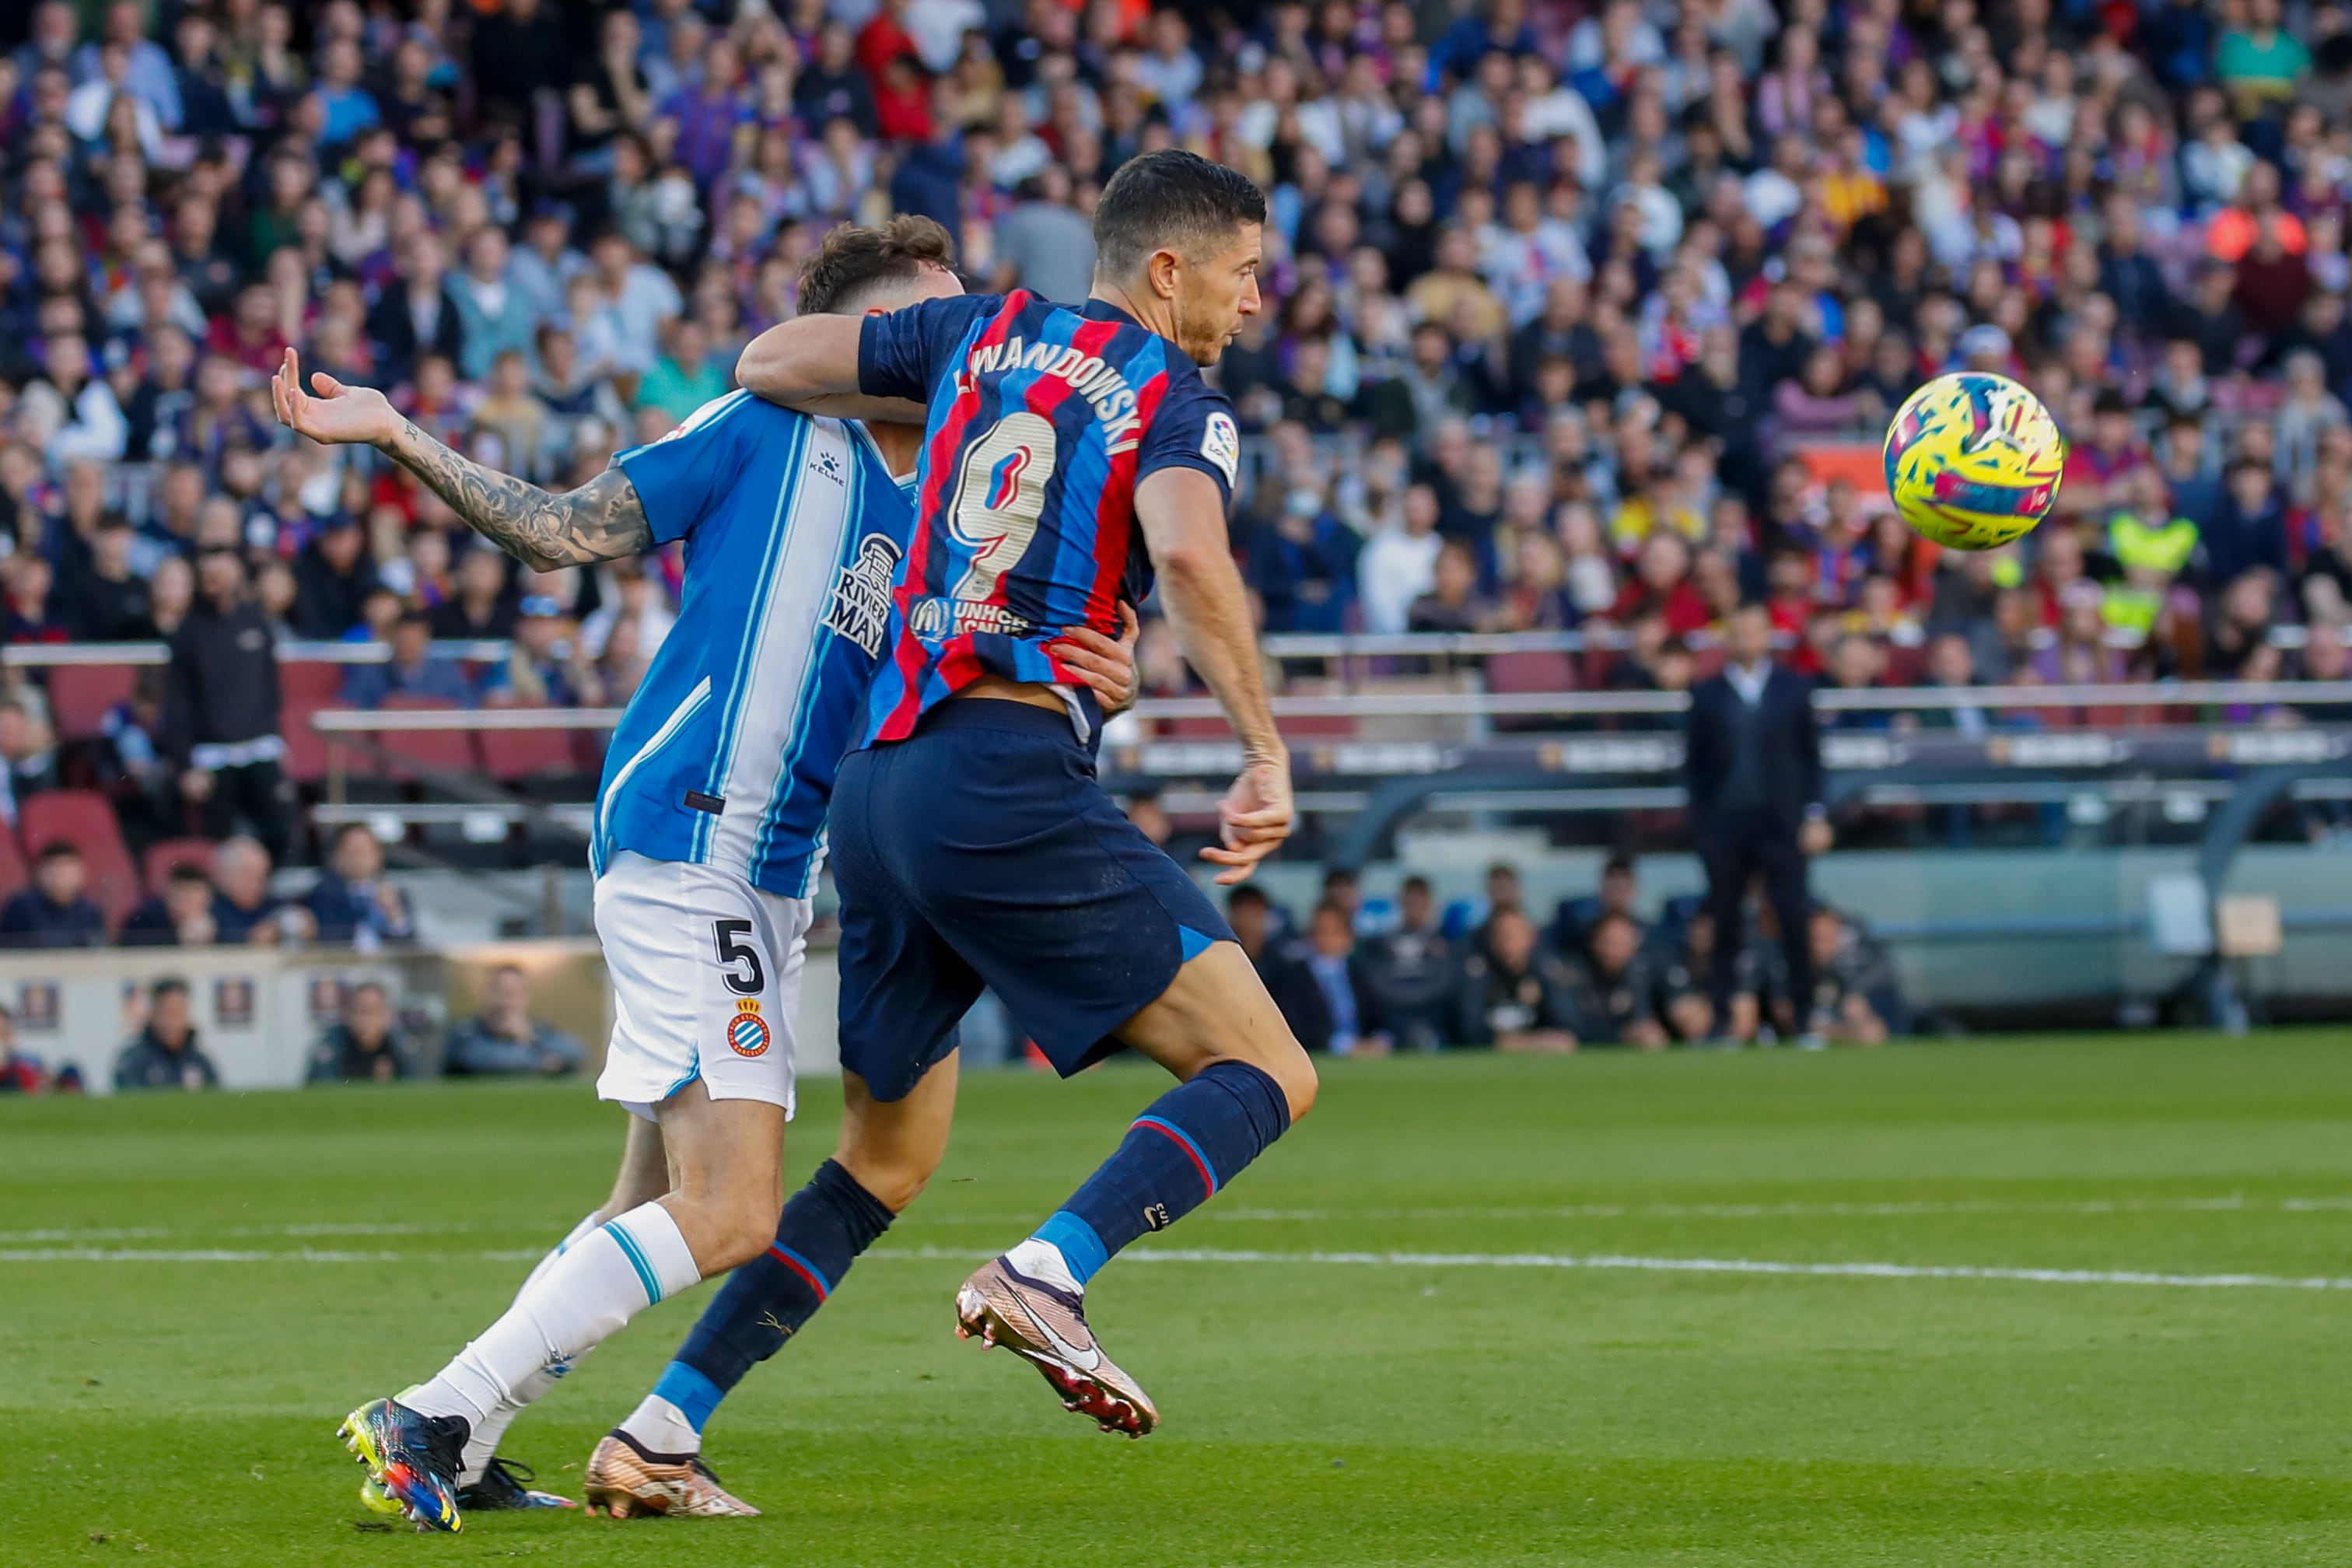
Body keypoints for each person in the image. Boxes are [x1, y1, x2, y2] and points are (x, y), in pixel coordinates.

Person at [279, 218, 1139, 1528]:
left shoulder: (940, 517)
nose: (957, 337)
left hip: (764, 876)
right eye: (929, 313)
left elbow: (973, 690)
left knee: (644, 1202)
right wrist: (398, 434)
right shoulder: (759, 428)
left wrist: (1096, 676)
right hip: (696, 842)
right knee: (732, 1211)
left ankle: (458, 1439)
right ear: (864, 335)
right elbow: (566, 533)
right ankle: (431, 1413)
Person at [726, 149, 1314, 1451]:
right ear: (1167, 272)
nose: (1255, 300)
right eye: (1243, 273)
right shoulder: (1180, 397)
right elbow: (1185, 548)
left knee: (879, 1161)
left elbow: (766, 361)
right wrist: (1260, 743)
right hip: (998, 776)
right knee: (1267, 1064)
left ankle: (659, 1427)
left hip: (876, 790)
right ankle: (1045, 1269)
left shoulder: (975, 331)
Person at [1684, 602, 1827, 1042]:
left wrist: (1815, 814)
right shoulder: (1706, 694)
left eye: (1755, 630)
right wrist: (1702, 825)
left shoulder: (1793, 689)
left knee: (1792, 919)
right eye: (1738, 631)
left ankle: (1803, 1018)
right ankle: (1724, 1021)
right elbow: (1695, 768)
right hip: (1726, 825)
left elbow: (1811, 759)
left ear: (1768, 636)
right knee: (1725, 925)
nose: (1747, 639)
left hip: (1780, 823)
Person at [165, 548, 291, 863]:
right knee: (217, 844)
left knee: (282, 832)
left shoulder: (257, 624)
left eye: (221, 576)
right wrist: (185, 764)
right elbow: (177, 703)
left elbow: (271, 689)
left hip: (260, 748)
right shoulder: (188, 633)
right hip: (213, 756)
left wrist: (277, 740)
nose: (215, 583)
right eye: (209, 577)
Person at [1454, 906, 1581, 1051]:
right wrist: (1528, 1043)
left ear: (1531, 937)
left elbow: (1568, 1027)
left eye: (1514, 935)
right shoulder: (1477, 974)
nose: (1507, 942)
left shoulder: (1546, 973)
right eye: (1501, 935)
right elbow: (1470, 1032)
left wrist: (1522, 1042)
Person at [1356, 875, 1458, 1053]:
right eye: (1411, 901)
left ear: (1430, 903)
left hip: (1432, 1013)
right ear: (1401, 902)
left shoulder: (1444, 944)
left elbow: (1445, 983)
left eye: (1421, 901)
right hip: (1392, 1014)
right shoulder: (1381, 944)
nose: (1416, 907)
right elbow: (1376, 981)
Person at [443, 964, 587, 1077]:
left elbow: (576, 1052)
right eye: (499, 992)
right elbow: (477, 1059)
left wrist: (530, 1039)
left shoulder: (538, 1030)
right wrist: (540, 1062)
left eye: (513, 994)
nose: (505, 1002)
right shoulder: (465, 1031)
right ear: (486, 994)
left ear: (525, 998)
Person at [306, 824, 416, 949]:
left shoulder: (396, 896)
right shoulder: (322, 895)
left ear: (379, 856)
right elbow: (329, 939)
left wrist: (395, 915)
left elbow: (411, 949)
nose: (359, 858)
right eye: (353, 851)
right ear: (337, 856)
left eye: (365, 851)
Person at [112, 978, 219, 1091]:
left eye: (178, 1012)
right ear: (153, 1014)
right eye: (166, 1013)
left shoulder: (201, 1063)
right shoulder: (132, 1061)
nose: (171, 1022)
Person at [306, 982, 422, 1083]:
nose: (365, 1021)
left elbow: (417, 1083)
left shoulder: (401, 1044)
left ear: (387, 1015)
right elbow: (319, 1083)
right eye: (359, 1012)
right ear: (347, 1014)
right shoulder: (333, 1042)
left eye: (373, 1012)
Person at [0, 841, 107, 949]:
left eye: (66, 868)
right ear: (39, 872)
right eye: (53, 868)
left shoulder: (90, 913)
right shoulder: (20, 910)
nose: (60, 875)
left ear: (80, 872)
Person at [121, 862, 219, 947]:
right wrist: (180, 939)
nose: (186, 907)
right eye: (181, 899)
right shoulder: (145, 920)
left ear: (208, 900)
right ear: (168, 896)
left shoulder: (220, 919)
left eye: (193, 901)